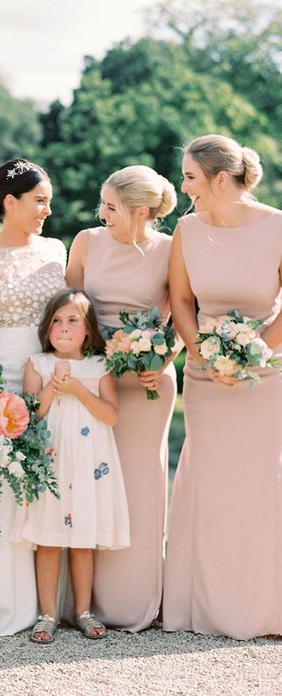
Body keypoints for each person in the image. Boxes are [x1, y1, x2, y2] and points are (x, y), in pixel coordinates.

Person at [164, 134, 282, 640]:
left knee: (261, 486)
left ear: (219, 178)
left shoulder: (278, 226)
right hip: (206, 378)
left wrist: (253, 353)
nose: (183, 186)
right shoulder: (187, 229)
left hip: (268, 376)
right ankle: (203, 608)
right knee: (210, 484)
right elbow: (181, 301)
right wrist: (205, 355)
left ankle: (264, 608)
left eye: (190, 177)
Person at [65, 165, 178, 631]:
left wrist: (163, 359)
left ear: (141, 211)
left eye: (111, 207)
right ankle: (82, 601)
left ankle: (134, 600)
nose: (101, 213)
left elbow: (183, 313)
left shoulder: (173, 250)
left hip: (146, 385)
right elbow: (66, 308)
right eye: (102, 204)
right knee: (85, 481)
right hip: (92, 380)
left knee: (139, 484)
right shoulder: (87, 242)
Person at [0, 159, 67, 636]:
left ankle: (51, 602)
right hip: (3, 379)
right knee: (7, 486)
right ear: (10, 203)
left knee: (54, 479)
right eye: (39, 201)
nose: (47, 209)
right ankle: (3, 599)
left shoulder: (56, 250)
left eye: (48, 200)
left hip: (54, 378)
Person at [22, 289, 130, 643]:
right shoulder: (36, 364)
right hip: (51, 464)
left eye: (73, 321)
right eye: (56, 321)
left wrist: (79, 390)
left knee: (83, 540)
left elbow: (111, 415)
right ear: (47, 328)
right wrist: (53, 387)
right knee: (49, 540)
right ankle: (47, 613)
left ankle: (83, 610)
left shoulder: (99, 366)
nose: (64, 329)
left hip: (87, 465)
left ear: (88, 330)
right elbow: (30, 414)